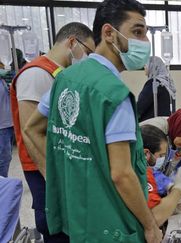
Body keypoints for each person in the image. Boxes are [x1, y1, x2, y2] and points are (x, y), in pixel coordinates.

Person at [22, 0, 162, 242]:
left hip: (74, 211)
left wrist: (56, 174)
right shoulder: (115, 95)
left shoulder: (65, 79)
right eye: (137, 32)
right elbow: (122, 174)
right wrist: (150, 225)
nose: (145, 43)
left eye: (146, 34)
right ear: (109, 33)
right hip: (109, 221)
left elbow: (31, 129)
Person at [10, 22, 94, 242]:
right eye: (89, 52)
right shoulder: (36, 74)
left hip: (62, 165)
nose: (88, 58)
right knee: (54, 226)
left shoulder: (59, 73)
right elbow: (31, 133)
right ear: (73, 42)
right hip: (44, 168)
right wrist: (53, 179)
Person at [140, 124, 181, 226]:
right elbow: (154, 218)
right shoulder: (141, 174)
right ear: (146, 153)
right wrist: (178, 191)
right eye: (161, 155)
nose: (162, 159)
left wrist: (172, 207)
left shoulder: (144, 169)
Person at [137, 56, 176, 122]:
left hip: (151, 126)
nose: (144, 67)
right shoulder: (167, 85)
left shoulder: (153, 83)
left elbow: (140, 107)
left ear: (153, 66)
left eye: (146, 65)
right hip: (164, 124)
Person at [0, 61, 13, 177]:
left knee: (7, 158)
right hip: (2, 127)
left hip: (8, 125)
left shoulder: (3, 80)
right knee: (4, 159)